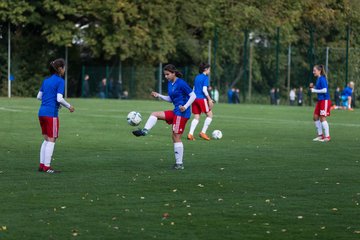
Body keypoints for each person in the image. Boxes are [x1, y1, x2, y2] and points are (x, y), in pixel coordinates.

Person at [132, 64, 196, 170]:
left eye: (167, 74)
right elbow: (171, 99)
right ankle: (145, 131)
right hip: (176, 112)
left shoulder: (181, 83)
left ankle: (179, 164)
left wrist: (185, 106)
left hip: (182, 114)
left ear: (173, 73)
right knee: (155, 114)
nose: (166, 76)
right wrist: (159, 95)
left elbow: (193, 95)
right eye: (165, 74)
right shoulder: (170, 84)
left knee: (176, 137)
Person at [36, 58, 75, 173]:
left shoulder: (46, 81)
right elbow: (59, 98)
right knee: (52, 140)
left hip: (41, 112)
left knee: (46, 139)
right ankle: (47, 167)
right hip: (51, 114)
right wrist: (69, 106)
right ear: (59, 69)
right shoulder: (60, 81)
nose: (64, 69)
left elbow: (39, 96)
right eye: (64, 67)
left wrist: (49, 100)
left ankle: (42, 165)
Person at [187, 63, 214, 141]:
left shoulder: (197, 77)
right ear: (205, 69)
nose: (209, 71)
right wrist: (209, 99)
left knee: (196, 117)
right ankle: (203, 132)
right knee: (210, 115)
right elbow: (204, 90)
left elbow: (193, 88)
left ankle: (190, 134)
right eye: (209, 69)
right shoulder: (205, 78)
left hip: (194, 98)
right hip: (201, 98)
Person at [309, 64, 331, 142]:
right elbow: (319, 89)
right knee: (315, 117)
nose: (313, 72)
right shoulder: (318, 79)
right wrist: (312, 88)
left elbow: (325, 90)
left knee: (322, 118)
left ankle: (327, 137)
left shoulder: (322, 78)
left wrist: (314, 90)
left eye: (314, 70)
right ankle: (320, 135)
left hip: (325, 100)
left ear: (319, 71)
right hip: (320, 100)